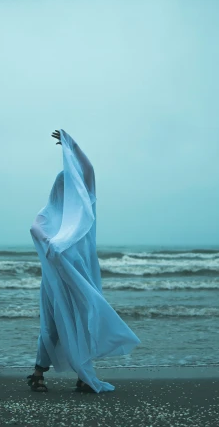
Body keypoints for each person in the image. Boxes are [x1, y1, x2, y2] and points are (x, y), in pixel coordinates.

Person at [27, 129, 140, 394]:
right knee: (52, 325)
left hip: (83, 274)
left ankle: (82, 375)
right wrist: (49, 242)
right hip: (57, 278)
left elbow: (88, 170)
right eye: (67, 187)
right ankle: (37, 373)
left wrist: (71, 144)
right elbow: (35, 228)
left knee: (86, 320)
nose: (72, 191)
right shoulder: (51, 212)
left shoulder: (86, 206)